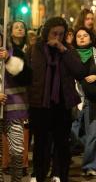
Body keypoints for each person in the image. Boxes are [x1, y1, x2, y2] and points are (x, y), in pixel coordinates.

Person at [27, 17, 87, 182]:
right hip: (40, 104)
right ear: (47, 32)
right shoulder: (35, 49)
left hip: (62, 104)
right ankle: (39, 175)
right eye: (54, 33)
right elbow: (28, 76)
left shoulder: (68, 50)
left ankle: (59, 174)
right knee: (40, 144)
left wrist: (63, 50)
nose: (57, 37)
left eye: (61, 34)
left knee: (62, 145)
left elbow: (80, 72)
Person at [71, 27, 96, 177]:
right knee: (72, 133)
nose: (81, 38)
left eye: (85, 35)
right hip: (75, 100)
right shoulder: (71, 55)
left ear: (91, 38)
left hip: (94, 100)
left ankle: (89, 166)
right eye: (78, 36)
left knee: (93, 133)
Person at [0, 21, 32, 182]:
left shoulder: (15, 53)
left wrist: (8, 60)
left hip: (15, 110)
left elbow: (25, 77)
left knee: (17, 151)